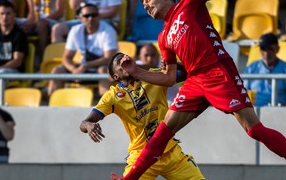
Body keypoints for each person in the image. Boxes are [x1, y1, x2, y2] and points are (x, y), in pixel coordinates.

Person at [110, 0, 286, 180]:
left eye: (149, 1)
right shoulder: (163, 37)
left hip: (218, 71)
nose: (146, 7)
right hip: (195, 81)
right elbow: (169, 78)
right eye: (144, 5)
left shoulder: (188, 2)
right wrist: (136, 71)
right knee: (161, 134)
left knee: (253, 129)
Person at [80, 52, 205, 180]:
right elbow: (84, 123)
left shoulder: (153, 76)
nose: (124, 61)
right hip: (141, 156)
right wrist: (89, 125)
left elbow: (188, 73)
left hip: (170, 151)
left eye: (125, 59)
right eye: (119, 62)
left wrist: (174, 65)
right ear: (116, 76)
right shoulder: (113, 96)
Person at [47, 3, 118, 96]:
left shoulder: (108, 30)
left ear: (99, 16)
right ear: (80, 17)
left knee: (103, 70)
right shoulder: (75, 30)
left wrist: (85, 66)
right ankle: (52, 105)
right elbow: (66, 57)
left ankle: (105, 106)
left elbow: (109, 58)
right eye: (86, 16)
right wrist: (73, 70)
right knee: (57, 70)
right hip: (85, 66)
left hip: (100, 66)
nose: (90, 18)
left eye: (94, 15)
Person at [244, 33, 286, 107]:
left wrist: (277, 113)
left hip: (279, 113)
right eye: (263, 49)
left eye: (270, 49)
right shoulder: (251, 68)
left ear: (277, 49)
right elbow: (243, 94)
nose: (266, 54)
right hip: (255, 113)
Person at [0, 1, 29, 100]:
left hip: (13, 71)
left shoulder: (19, 35)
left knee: (2, 74)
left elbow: (17, 61)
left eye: (8, 14)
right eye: (2, 14)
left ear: (14, 15)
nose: (4, 17)